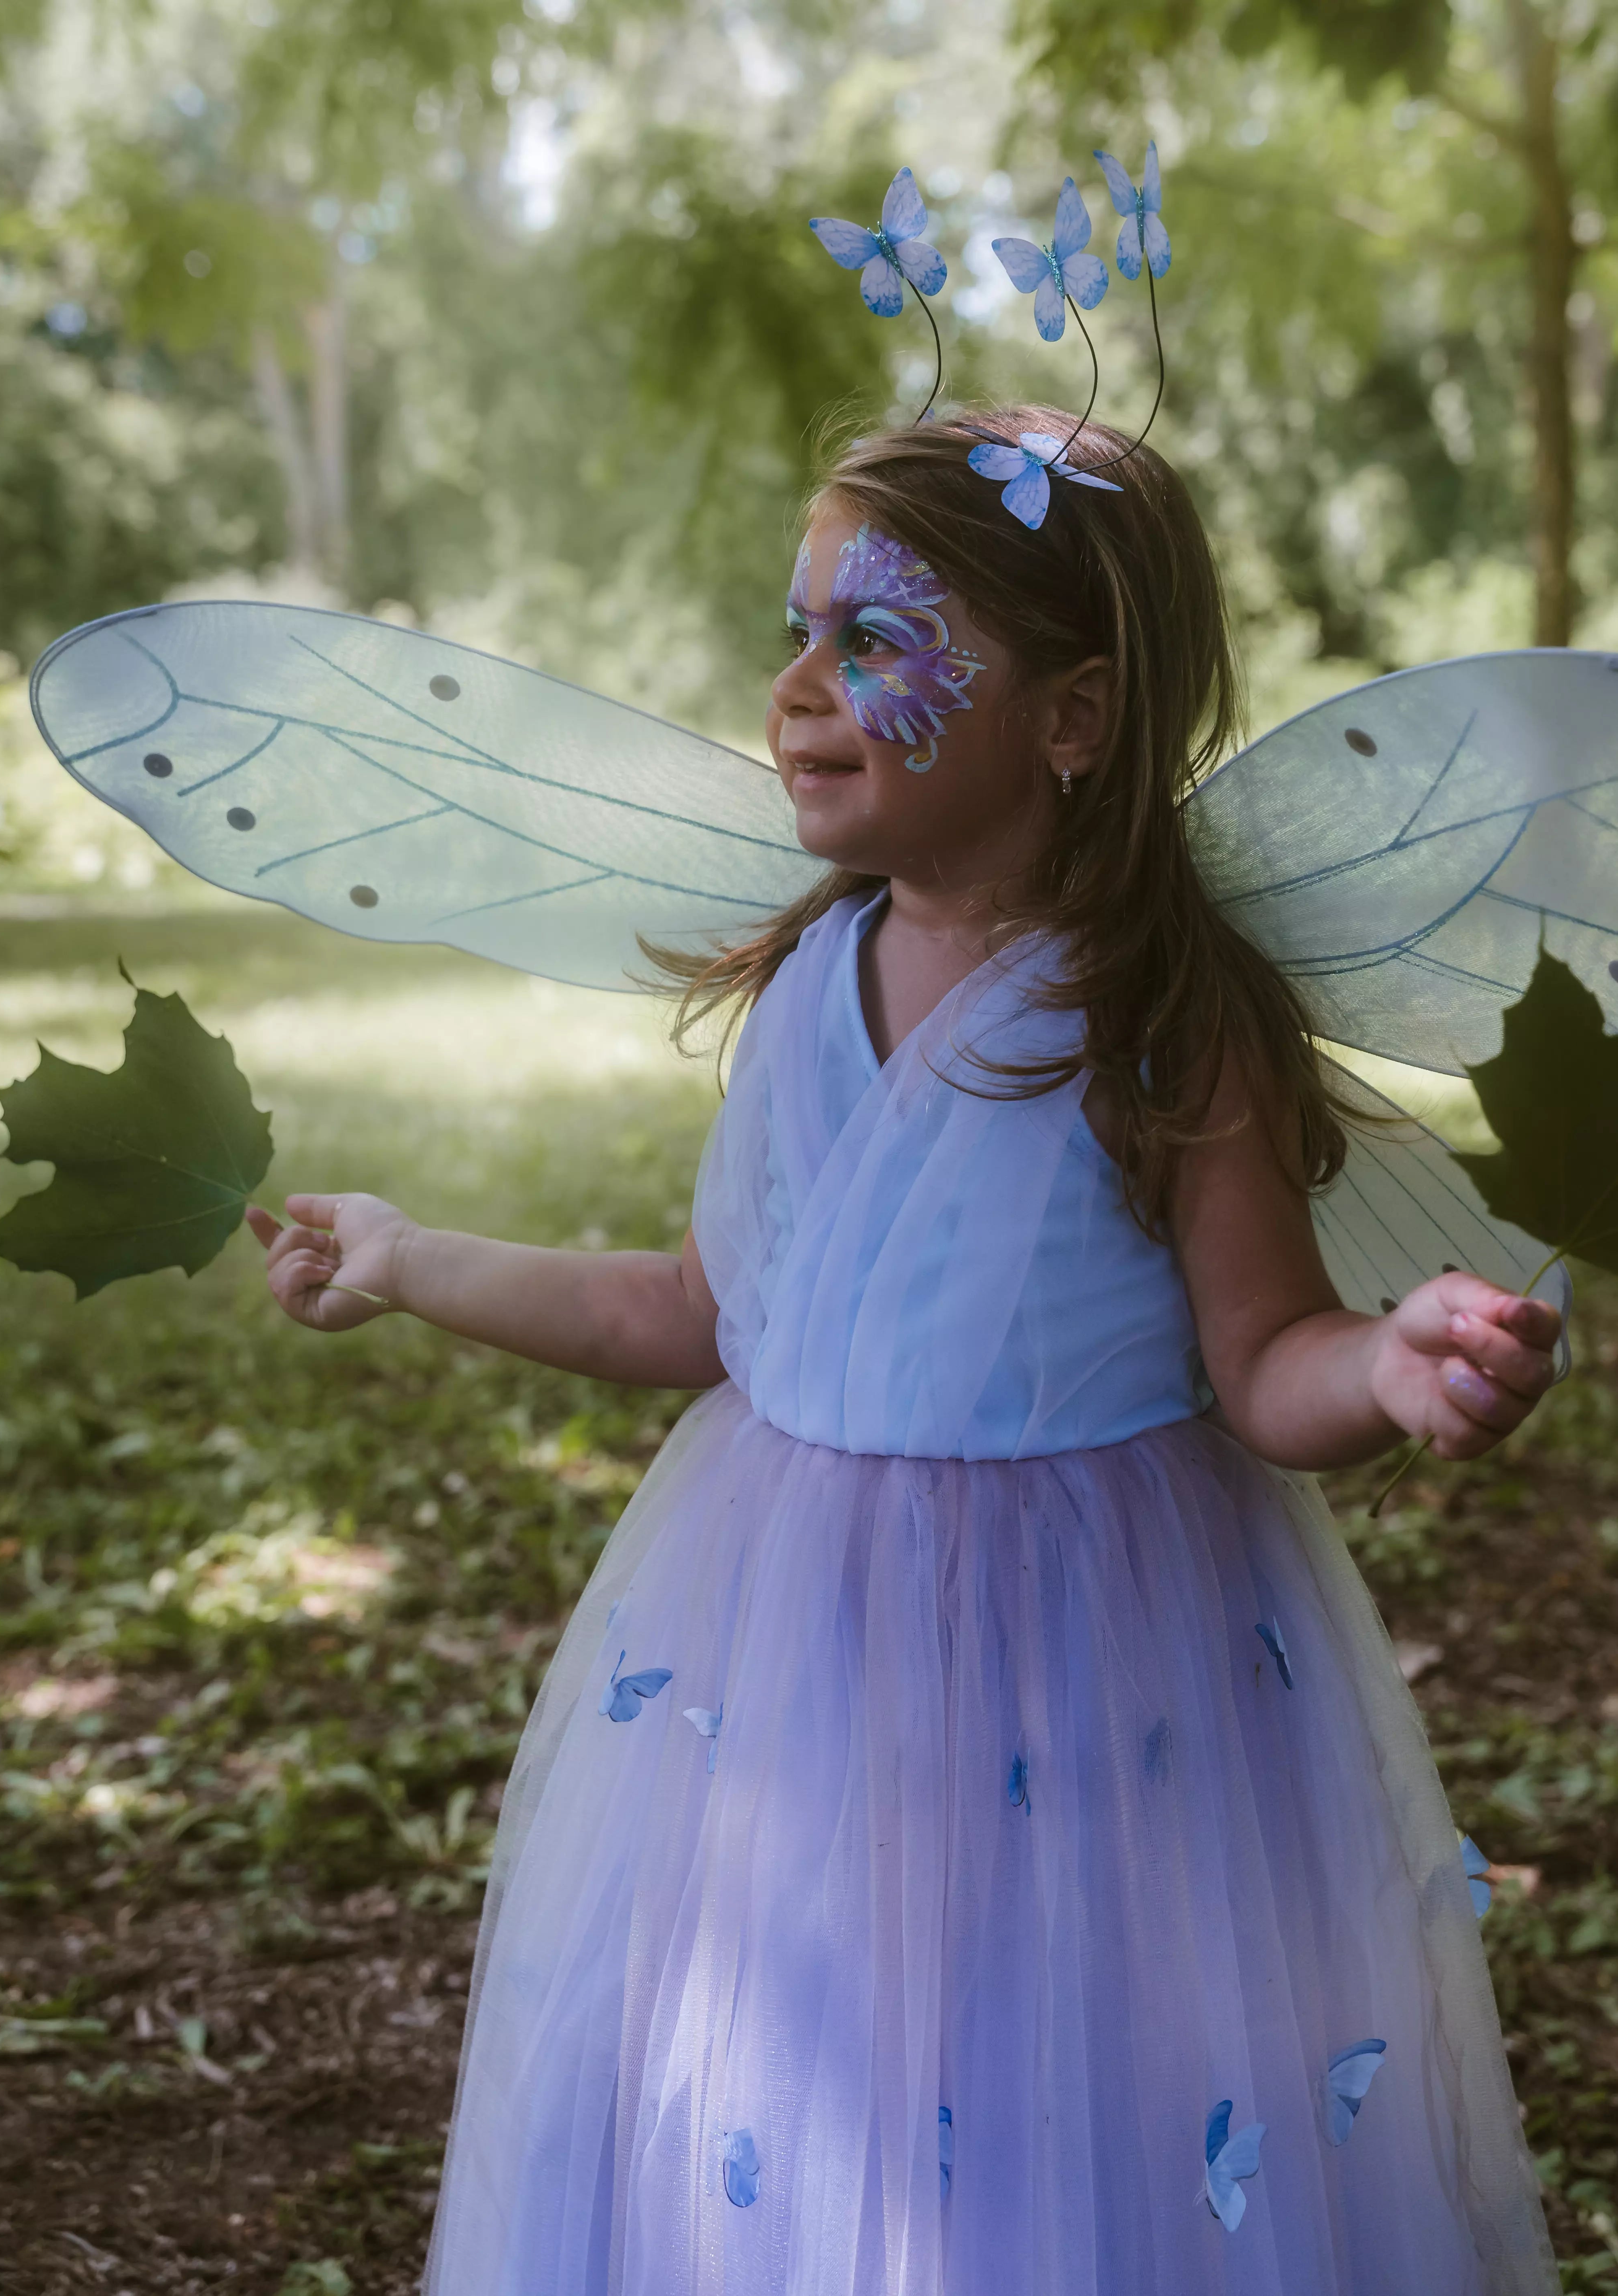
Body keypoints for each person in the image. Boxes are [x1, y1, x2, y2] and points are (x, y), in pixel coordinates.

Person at [248, 409, 1563, 2294]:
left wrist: (1400, 1365)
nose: (798, 689)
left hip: (1098, 1664)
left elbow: (1270, 1357)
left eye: (877, 640)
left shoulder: (1163, 1023)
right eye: (799, 630)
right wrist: (408, 1255)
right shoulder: (806, 989)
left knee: (1069, 2088)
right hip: (789, 1665)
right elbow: (696, 1315)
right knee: (818, 2089)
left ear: (1074, 717)